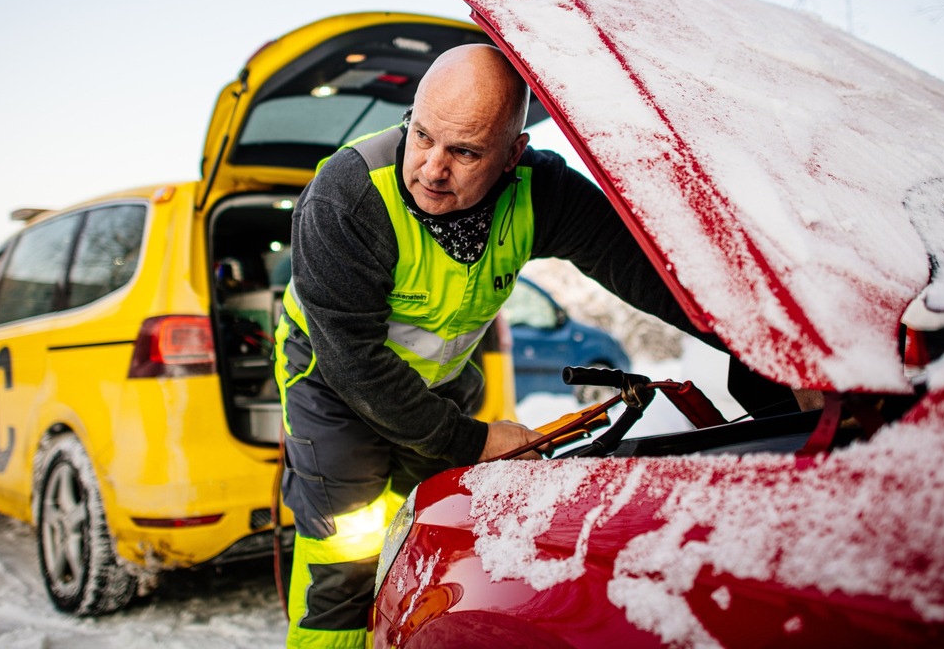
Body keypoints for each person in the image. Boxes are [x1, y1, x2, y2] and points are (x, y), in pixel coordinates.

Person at [275, 44, 710, 648]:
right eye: (421, 136)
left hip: (436, 382)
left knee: (441, 530)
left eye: (464, 152)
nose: (430, 168)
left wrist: (755, 343)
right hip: (335, 382)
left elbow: (654, 272)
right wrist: (474, 439)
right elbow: (356, 364)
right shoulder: (347, 198)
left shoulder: (541, 193)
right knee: (346, 554)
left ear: (513, 156)